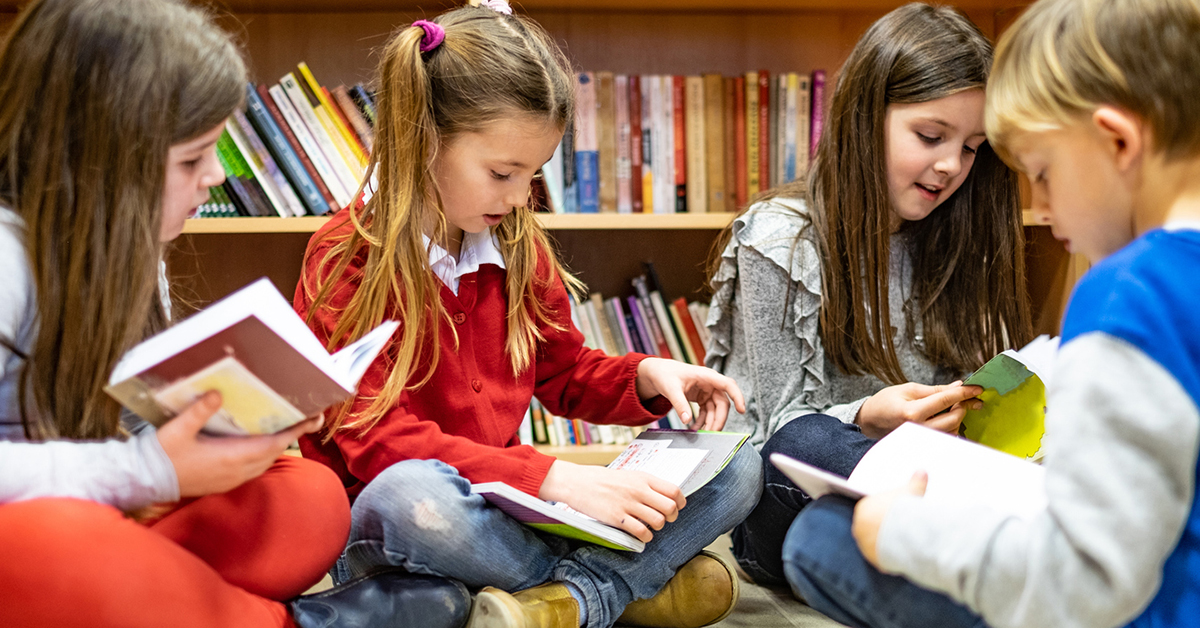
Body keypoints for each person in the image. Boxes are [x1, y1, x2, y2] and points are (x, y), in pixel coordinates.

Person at [0, 1, 470, 627]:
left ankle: (159, 598)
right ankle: (284, 621)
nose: (216, 176)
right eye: (192, 159)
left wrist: (232, 428)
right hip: (43, 517)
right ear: (95, 161)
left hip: (114, 502)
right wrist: (145, 470)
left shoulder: (128, 251)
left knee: (310, 498)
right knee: (44, 548)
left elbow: (130, 425)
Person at [294, 2, 762, 627]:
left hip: (513, 509)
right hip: (411, 518)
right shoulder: (347, 258)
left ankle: (558, 603)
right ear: (423, 140)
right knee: (415, 495)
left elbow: (564, 372)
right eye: (502, 172)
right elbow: (379, 445)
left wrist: (647, 375)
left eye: (533, 174)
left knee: (739, 464)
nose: (520, 198)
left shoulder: (516, 246)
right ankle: (621, 589)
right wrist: (552, 480)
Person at [784, 0, 1200, 626]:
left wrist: (903, 532)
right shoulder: (784, 236)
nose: (1040, 202)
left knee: (820, 538)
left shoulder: (1127, 295)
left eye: (1043, 172)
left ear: (1118, 141)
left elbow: (1085, 582)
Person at [704, 2, 1032, 587]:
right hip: (791, 498)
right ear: (863, 117)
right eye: (931, 136)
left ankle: (944, 547)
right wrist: (868, 417)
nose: (950, 166)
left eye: (972, 146)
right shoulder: (781, 238)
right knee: (803, 440)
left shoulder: (964, 238)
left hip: (931, 484)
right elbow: (777, 429)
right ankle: (973, 544)